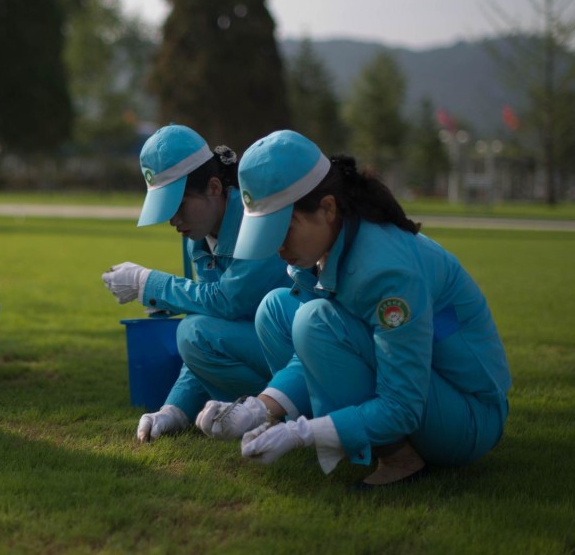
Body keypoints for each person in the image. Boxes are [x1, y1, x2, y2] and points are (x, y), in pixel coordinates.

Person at [202, 129, 511, 487]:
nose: (277, 248)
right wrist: (259, 408)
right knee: (276, 309)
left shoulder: (386, 272)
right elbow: (313, 352)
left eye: (283, 230)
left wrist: (303, 433)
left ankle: (399, 458)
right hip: (431, 391)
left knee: (314, 321)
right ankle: (344, 434)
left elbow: (402, 404)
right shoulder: (323, 249)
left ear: (328, 208)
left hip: (469, 416)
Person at [101, 124, 291, 443]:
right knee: (195, 331)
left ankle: (280, 411)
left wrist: (149, 283)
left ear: (214, 187)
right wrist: (175, 409)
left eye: (179, 205)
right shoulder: (198, 239)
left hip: (298, 354)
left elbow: (227, 302)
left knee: (192, 332)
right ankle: (266, 411)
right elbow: (209, 329)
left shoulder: (252, 222)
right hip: (272, 353)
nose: (173, 220)